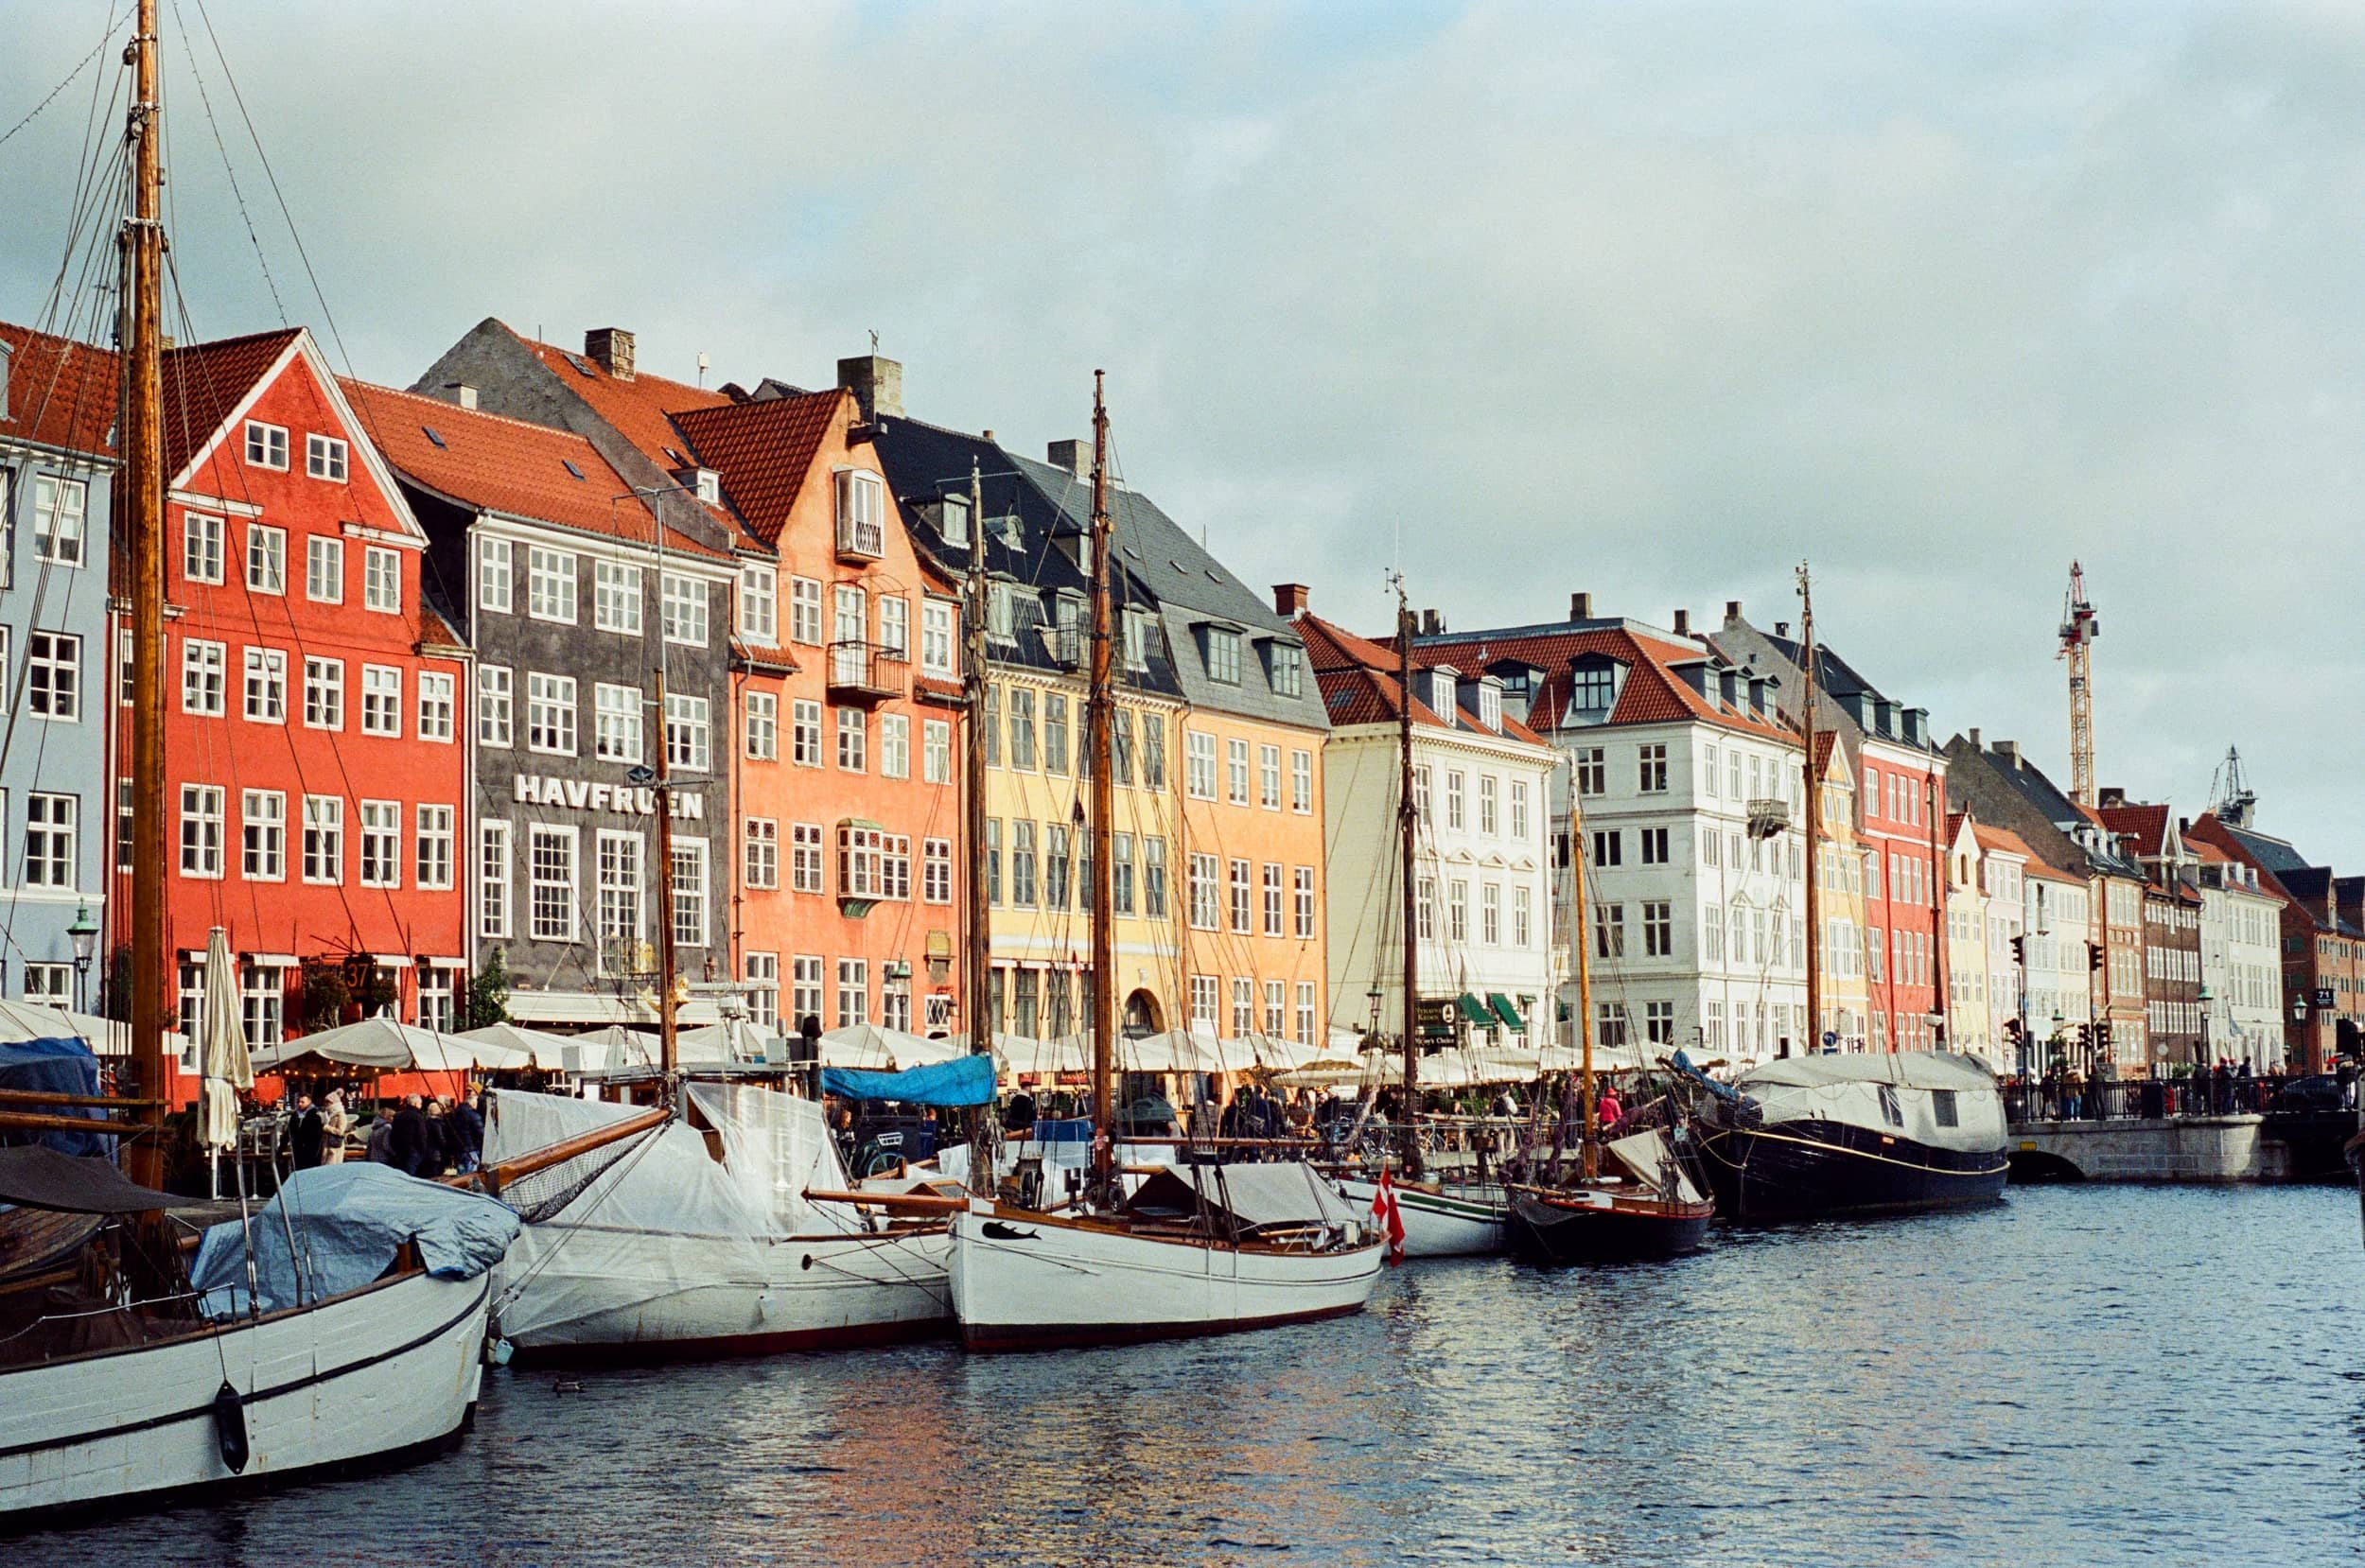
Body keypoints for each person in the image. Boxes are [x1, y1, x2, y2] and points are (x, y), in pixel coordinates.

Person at [388, 1093, 430, 1176]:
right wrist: (422, 1151)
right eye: (420, 1104)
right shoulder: (418, 1117)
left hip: (399, 1151)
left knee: (401, 1176)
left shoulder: (398, 1116)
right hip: (413, 1151)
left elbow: (393, 1134)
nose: (421, 1106)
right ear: (415, 1104)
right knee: (412, 1176)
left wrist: (395, 1148)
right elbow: (421, 1136)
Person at [449, 1089, 485, 1175]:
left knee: (461, 1173)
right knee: (471, 1174)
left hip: (459, 1148)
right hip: (471, 1148)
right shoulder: (473, 1115)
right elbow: (481, 1133)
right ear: (473, 1103)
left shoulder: (455, 1114)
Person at [289, 1093, 324, 1170]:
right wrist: (281, 1149)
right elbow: (288, 1132)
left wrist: (315, 1152)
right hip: (297, 1149)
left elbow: (318, 1136)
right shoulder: (295, 1115)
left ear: (309, 1102)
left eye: (302, 1102)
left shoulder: (315, 1116)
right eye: (298, 1102)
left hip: (311, 1151)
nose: (299, 1104)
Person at [321, 1089, 352, 1164]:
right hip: (327, 1145)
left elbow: (340, 1131)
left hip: (335, 1146)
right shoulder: (328, 1114)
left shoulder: (340, 1115)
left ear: (333, 1102)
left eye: (328, 1102)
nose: (326, 1104)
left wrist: (326, 1127)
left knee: (332, 1167)